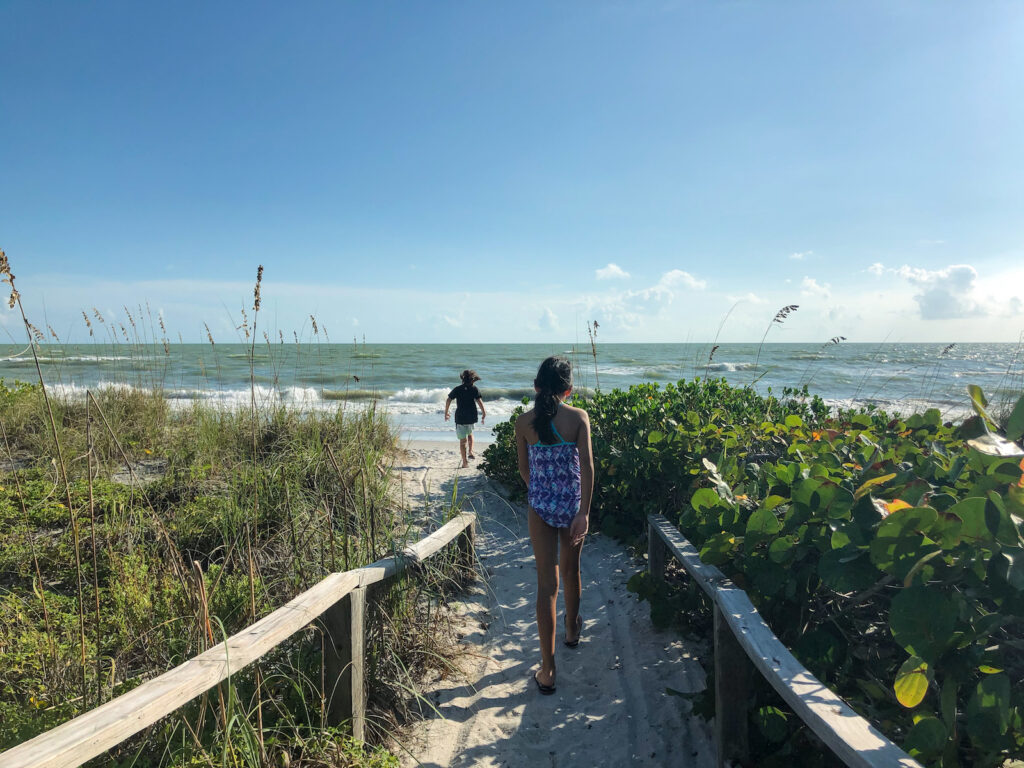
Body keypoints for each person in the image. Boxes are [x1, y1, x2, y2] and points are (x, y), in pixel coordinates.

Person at [514, 356, 594, 695]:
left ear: (535, 387)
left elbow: (523, 469)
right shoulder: (578, 418)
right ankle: (572, 632)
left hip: (540, 506)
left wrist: (541, 492)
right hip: (573, 506)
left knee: (547, 585)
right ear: (568, 390)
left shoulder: (523, 423)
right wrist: (584, 512)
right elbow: (588, 468)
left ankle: (547, 671)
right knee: (572, 571)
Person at [445, 369, 486, 468]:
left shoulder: (457, 389)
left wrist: (446, 412)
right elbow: (479, 401)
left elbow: (448, 399)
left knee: (462, 441)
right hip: (471, 417)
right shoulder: (474, 389)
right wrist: (484, 413)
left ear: (462, 378)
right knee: (470, 434)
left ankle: (464, 462)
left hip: (460, 418)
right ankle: (470, 451)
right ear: (473, 379)